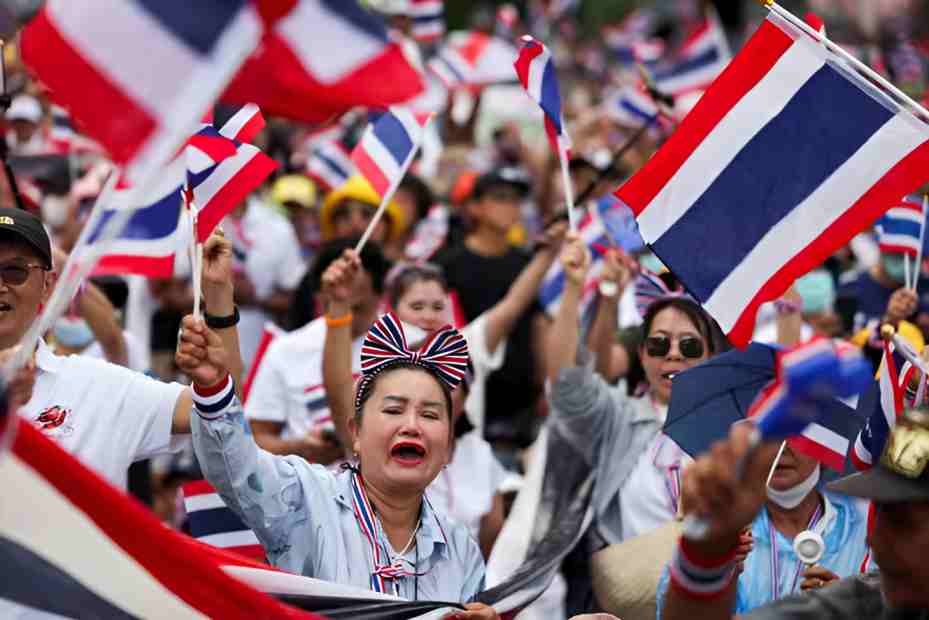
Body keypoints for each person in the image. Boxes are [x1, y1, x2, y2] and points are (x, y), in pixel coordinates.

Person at [177, 312, 499, 618]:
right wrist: (213, 390)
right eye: (393, 410)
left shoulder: (461, 550)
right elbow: (237, 467)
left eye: (429, 415)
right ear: (355, 433)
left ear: (447, 444)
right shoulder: (305, 496)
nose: (412, 426)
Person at [320, 221, 566, 555]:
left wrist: (550, 257)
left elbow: (489, 548)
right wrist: (338, 309)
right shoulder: (377, 439)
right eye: (396, 406)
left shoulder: (477, 453)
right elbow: (338, 392)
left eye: (437, 306)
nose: (428, 316)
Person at [0, 208, 243, 489]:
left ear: (47, 285)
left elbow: (222, 410)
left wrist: (219, 296)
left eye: (14, 271)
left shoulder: (96, 386)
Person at [546, 234, 719, 613]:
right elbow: (565, 382)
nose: (673, 355)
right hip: (633, 602)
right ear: (642, 355)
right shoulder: (617, 416)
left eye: (690, 346)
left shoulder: (732, 429)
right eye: (659, 344)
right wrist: (575, 288)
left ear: (711, 356)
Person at [661, 408, 929, 620]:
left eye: (902, 524)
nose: (875, 541)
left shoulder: (854, 531)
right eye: (770, 434)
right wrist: (707, 556)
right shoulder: (865, 602)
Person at [656, 441, 870, 615]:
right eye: (772, 433)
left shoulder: (865, 532)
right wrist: (713, 572)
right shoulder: (722, 529)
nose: (782, 447)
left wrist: (847, 609)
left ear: (827, 446)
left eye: (799, 432)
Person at [245, 240, 390, 465]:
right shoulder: (286, 349)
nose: (343, 309)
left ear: (379, 292)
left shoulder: (408, 346)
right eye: (336, 297)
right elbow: (254, 440)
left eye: (355, 307)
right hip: (309, 482)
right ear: (319, 293)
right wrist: (300, 449)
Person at [436, 167, 544, 452]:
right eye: (500, 197)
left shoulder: (526, 264)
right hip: (464, 404)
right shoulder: (446, 264)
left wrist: (545, 384)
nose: (510, 206)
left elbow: (538, 327)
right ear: (475, 206)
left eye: (516, 199)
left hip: (518, 408)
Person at [223, 193, 306, 368]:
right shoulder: (192, 220)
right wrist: (219, 293)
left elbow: (294, 297)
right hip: (204, 350)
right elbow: (168, 292)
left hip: (260, 353)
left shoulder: (276, 227)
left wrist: (254, 298)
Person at [319, 175, 407, 254]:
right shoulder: (318, 265)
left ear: (387, 224)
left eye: (366, 213)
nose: (355, 223)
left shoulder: (405, 267)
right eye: (344, 213)